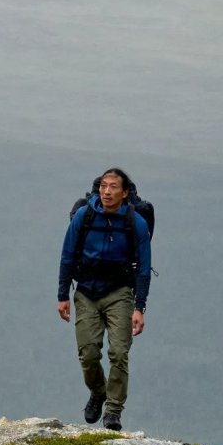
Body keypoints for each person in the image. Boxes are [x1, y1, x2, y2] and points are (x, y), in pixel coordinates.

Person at [57, 167, 151, 431]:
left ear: (125, 192)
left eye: (113, 187)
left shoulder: (136, 223)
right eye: (103, 186)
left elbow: (144, 268)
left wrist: (139, 307)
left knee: (119, 353)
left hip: (119, 294)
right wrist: (63, 295)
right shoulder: (85, 216)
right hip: (86, 292)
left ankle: (113, 411)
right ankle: (98, 391)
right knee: (88, 354)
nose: (107, 192)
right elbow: (67, 254)